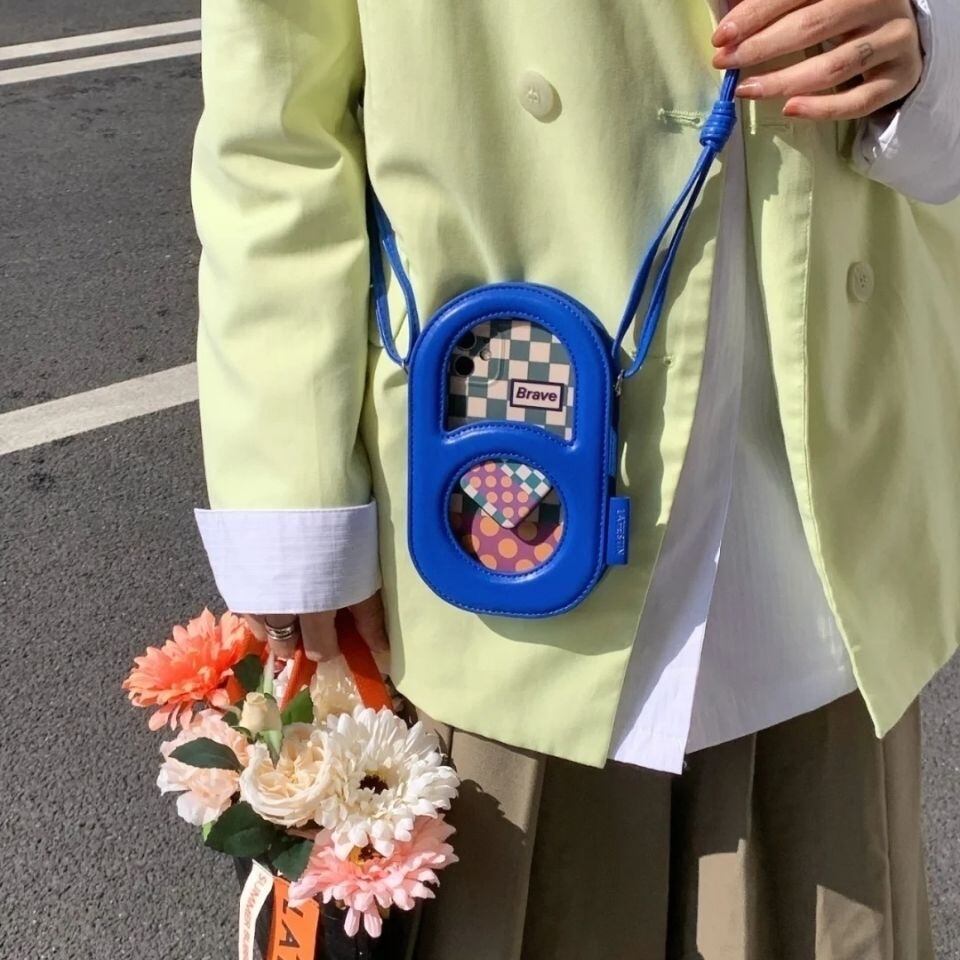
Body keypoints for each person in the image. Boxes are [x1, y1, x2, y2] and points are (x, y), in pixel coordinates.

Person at [190, 0, 960, 956]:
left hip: (826, 514)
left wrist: (933, 37)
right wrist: (293, 502)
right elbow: (276, 126)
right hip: (493, 524)